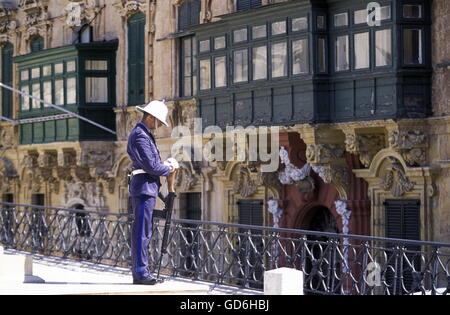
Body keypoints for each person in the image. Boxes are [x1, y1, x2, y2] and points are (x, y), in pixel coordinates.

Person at [127, 100, 178, 285]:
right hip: (143, 188)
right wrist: (169, 168)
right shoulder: (140, 135)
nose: (158, 126)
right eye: (157, 121)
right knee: (142, 232)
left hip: (147, 187)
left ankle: (142, 271)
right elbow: (152, 166)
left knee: (144, 231)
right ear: (150, 117)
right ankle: (141, 273)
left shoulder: (144, 134)